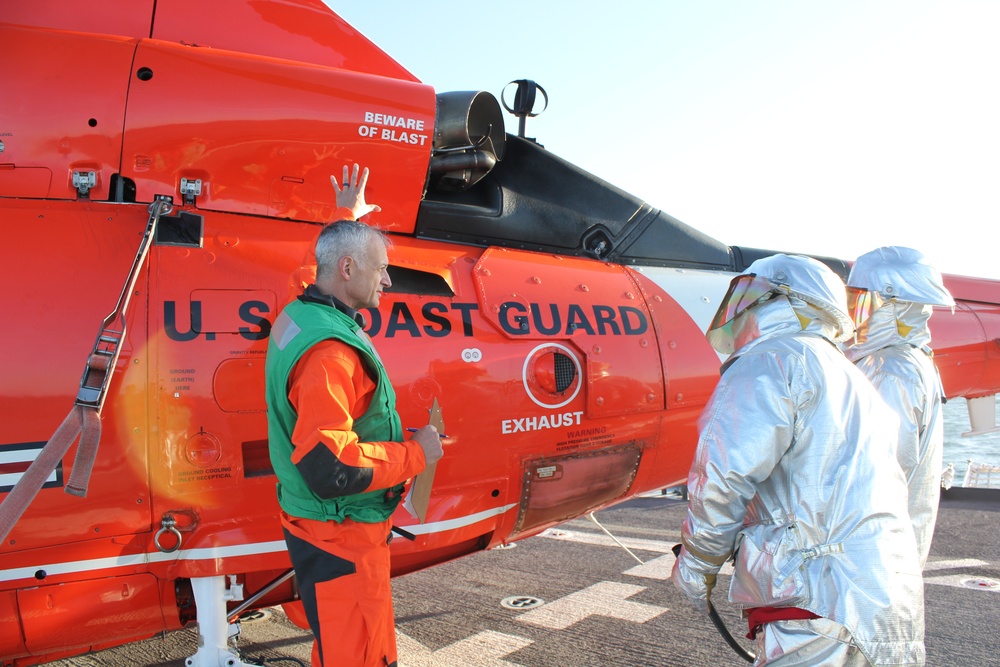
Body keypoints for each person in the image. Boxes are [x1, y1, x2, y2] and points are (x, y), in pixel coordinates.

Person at [671, 254, 925, 666]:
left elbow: (722, 475)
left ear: (781, 301)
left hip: (820, 602)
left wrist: (697, 564)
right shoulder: (848, 375)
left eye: (753, 295)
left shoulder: (772, 359)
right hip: (885, 603)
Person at [265, 165, 443, 667]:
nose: (387, 279)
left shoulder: (302, 309)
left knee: (337, 645)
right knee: (361, 656)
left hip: (319, 529)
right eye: (379, 268)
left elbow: (316, 262)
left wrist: (348, 215)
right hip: (343, 534)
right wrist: (416, 455)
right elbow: (331, 469)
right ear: (346, 270)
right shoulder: (330, 353)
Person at [845, 246, 954, 568]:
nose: (854, 312)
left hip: (867, 564)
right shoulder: (905, 359)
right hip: (884, 559)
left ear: (898, 306)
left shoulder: (890, 370)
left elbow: (879, 474)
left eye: (864, 301)